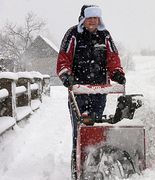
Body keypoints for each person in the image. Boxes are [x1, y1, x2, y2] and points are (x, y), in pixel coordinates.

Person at [56, 5, 125, 179]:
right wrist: (66, 76)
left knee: (95, 128)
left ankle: (95, 165)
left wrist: (116, 72)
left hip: (99, 91)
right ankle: (77, 168)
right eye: (90, 18)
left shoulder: (105, 35)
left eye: (96, 18)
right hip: (78, 91)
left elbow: (112, 57)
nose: (93, 21)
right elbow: (64, 57)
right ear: (83, 19)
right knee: (80, 130)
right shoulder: (73, 35)